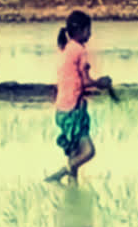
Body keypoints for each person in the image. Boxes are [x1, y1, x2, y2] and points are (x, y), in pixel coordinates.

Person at [45, 11, 112, 185]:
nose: (90, 34)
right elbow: (84, 81)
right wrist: (101, 83)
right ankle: (61, 173)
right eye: (89, 30)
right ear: (81, 31)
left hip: (63, 108)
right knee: (88, 152)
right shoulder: (80, 51)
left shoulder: (67, 48)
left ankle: (72, 194)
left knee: (75, 153)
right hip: (72, 110)